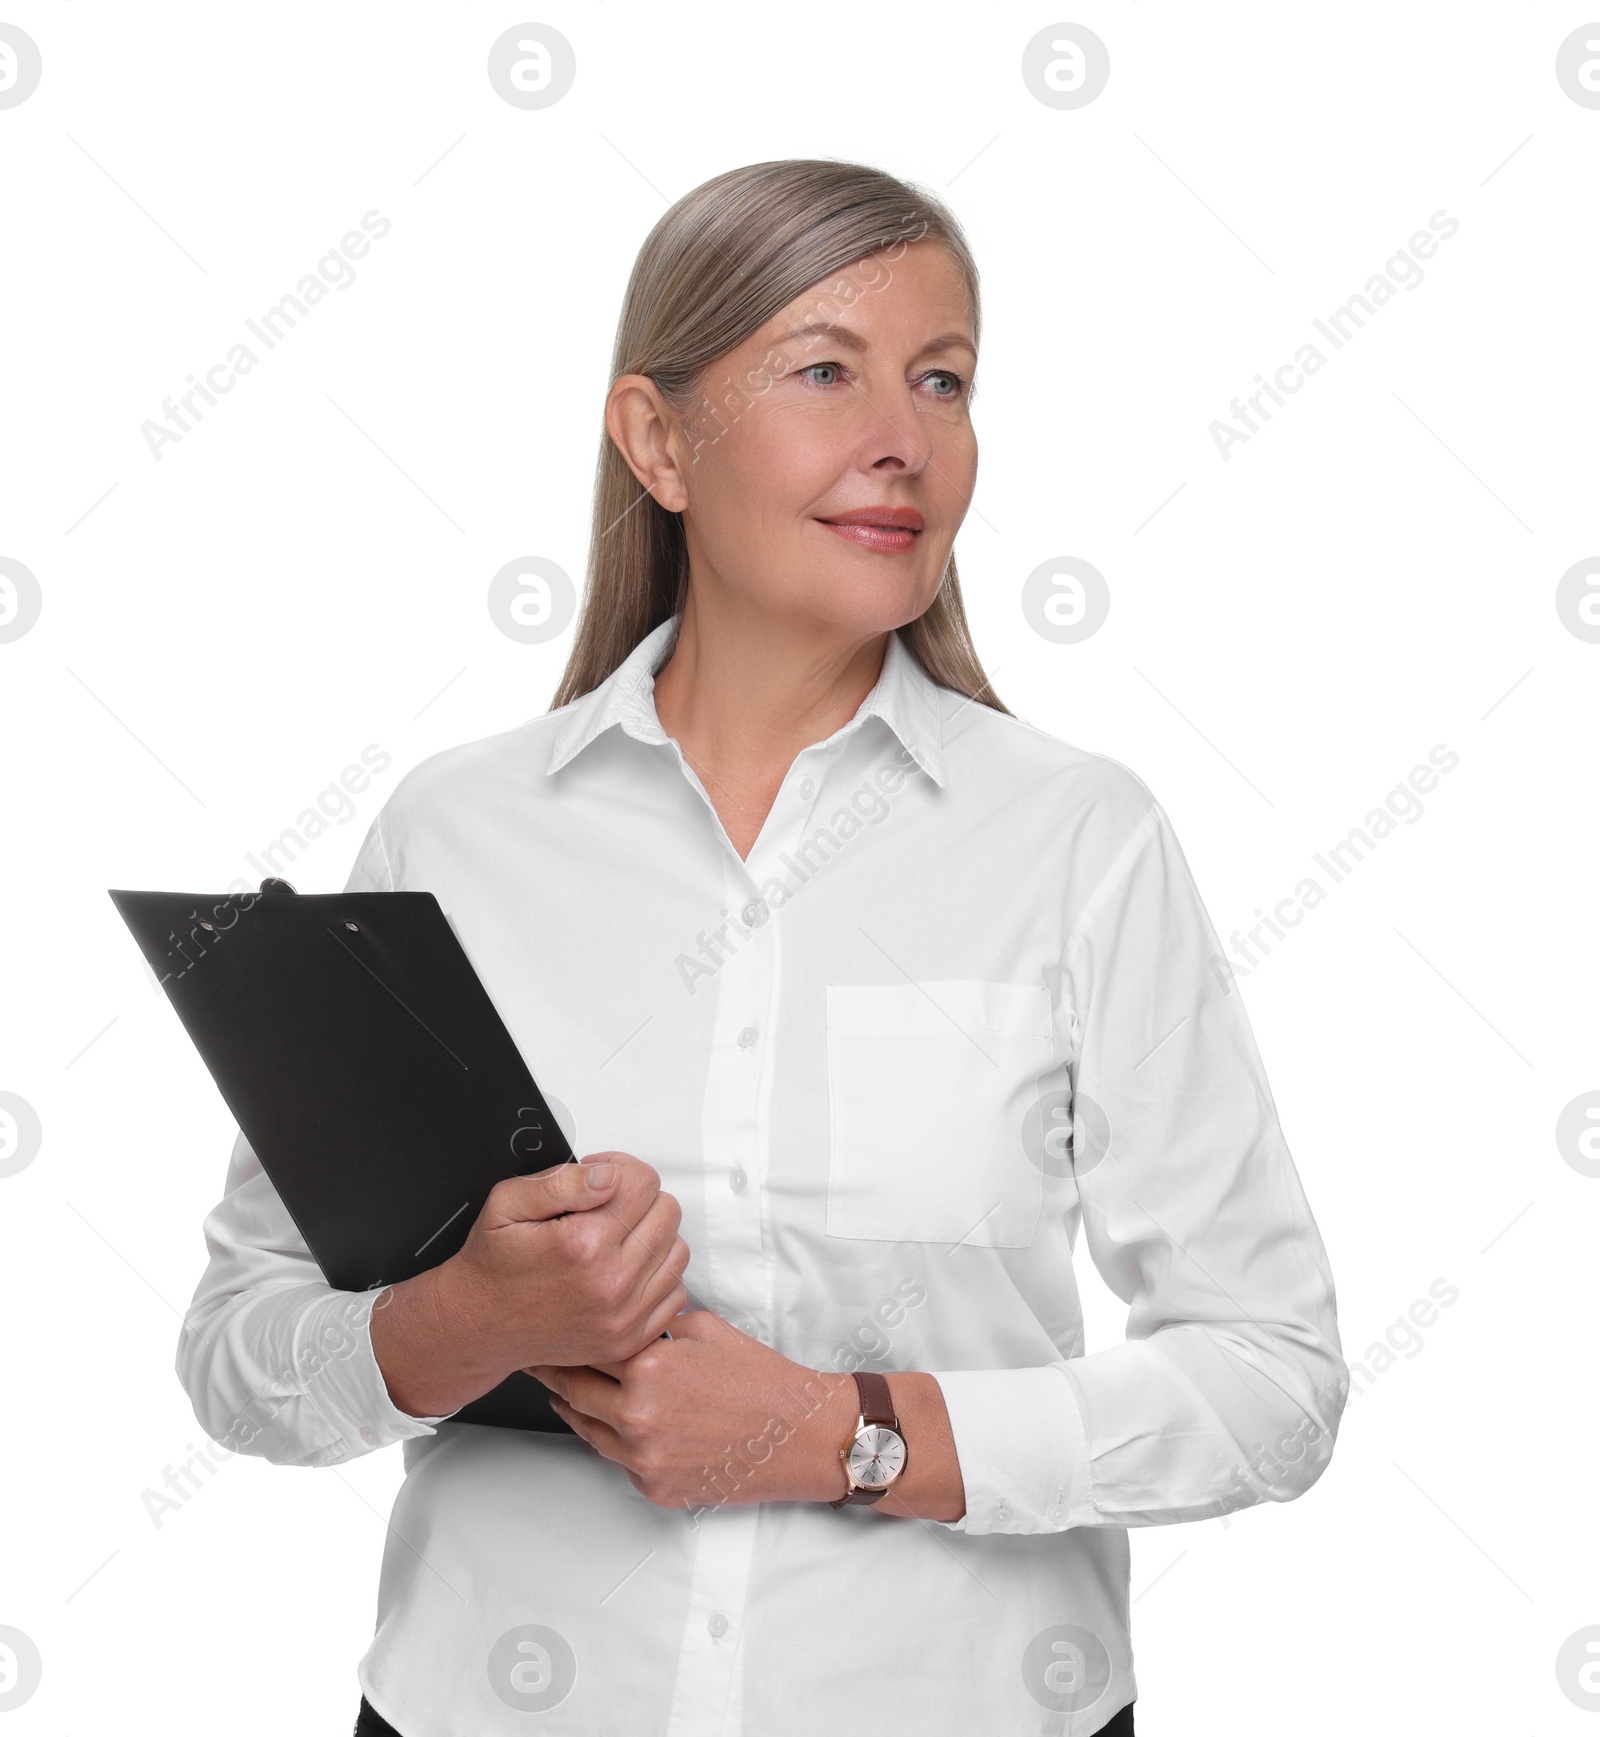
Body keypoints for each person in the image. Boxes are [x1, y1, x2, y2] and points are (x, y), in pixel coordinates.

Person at [177, 158, 1347, 1737]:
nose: (907, 439)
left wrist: (845, 1431)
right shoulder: (455, 834)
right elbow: (240, 1355)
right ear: (658, 439)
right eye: (824, 369)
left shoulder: (1082, 841)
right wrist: (472, 1319)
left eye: (945, 380)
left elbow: (1273, 1382)